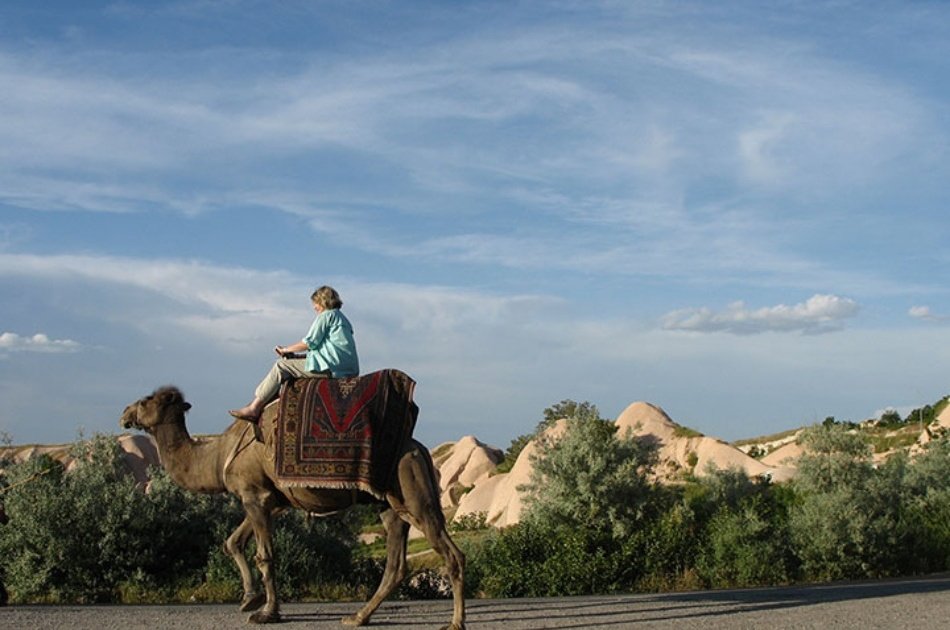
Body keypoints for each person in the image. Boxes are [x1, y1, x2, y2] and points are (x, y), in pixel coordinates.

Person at [229, 285, 359, 423]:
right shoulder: (343, 319)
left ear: (322, 301)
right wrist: (297, 357)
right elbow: (326, 350)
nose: (314, 307)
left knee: (281, 366)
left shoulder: (326, 316)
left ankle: (254, 408)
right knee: (291, 364)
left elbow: (309, 343)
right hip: (346, 368)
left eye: (315, 303)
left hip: (331, 368)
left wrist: (286, 350)